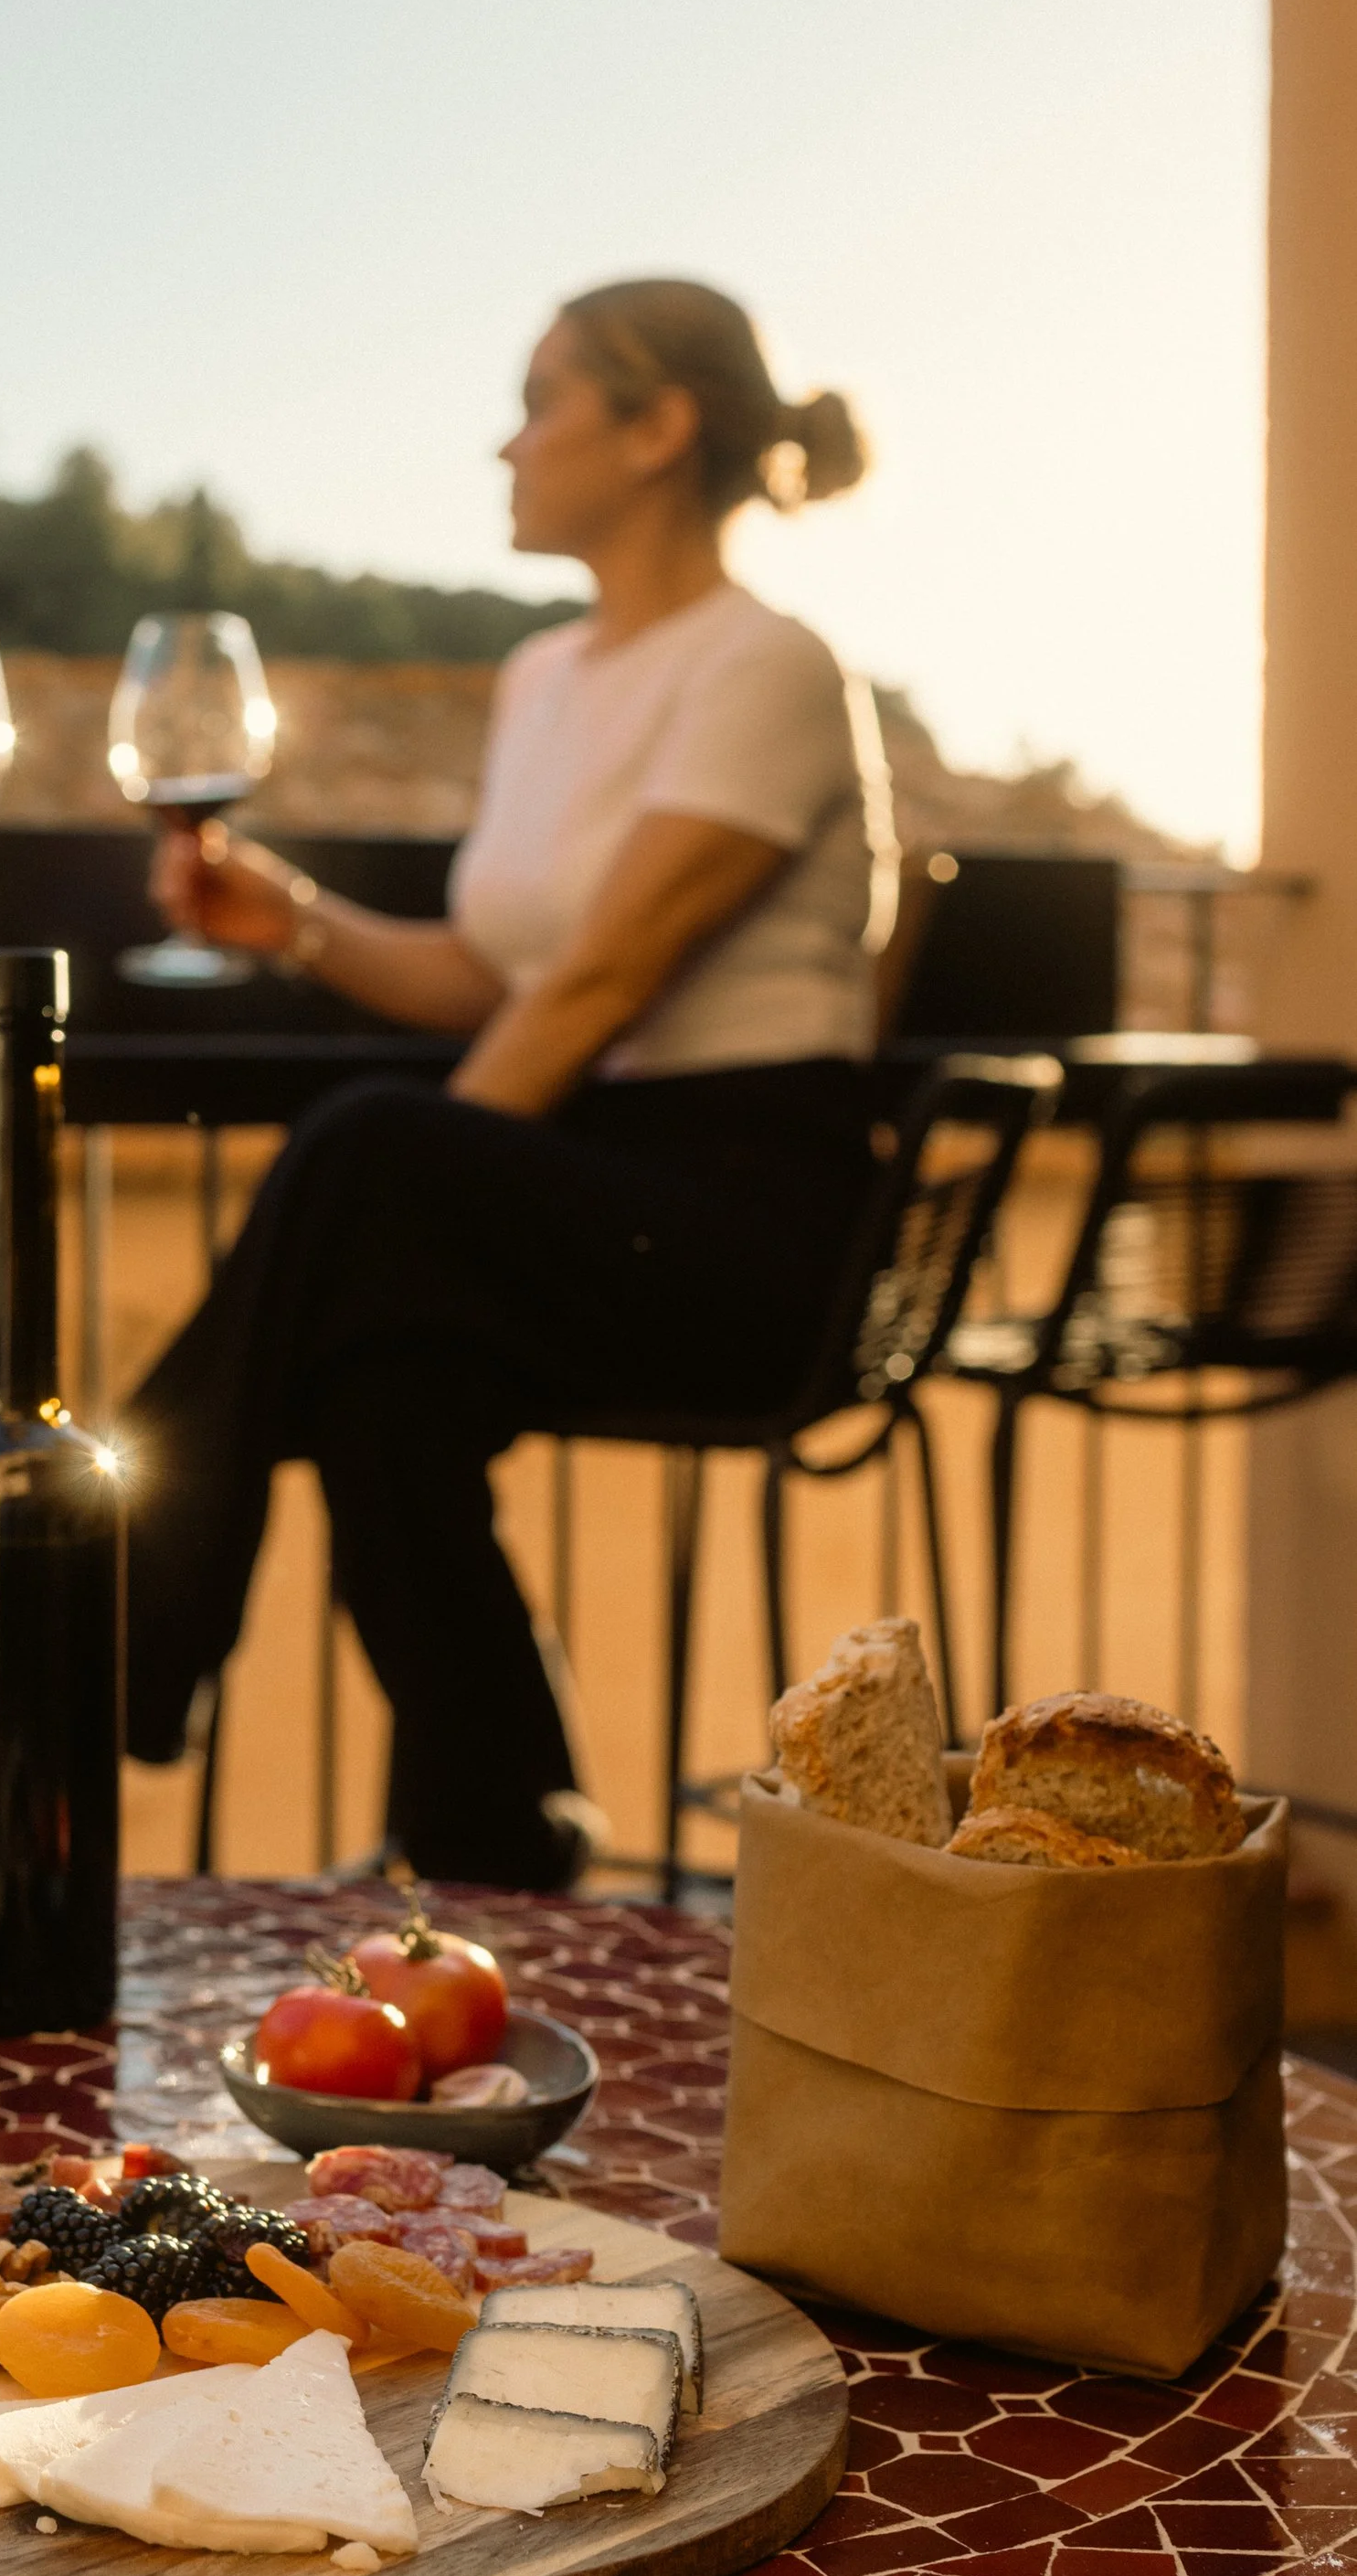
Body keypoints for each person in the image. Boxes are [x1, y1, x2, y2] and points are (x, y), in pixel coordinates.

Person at [122, 278, 891, 1889]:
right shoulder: (543, 677)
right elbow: (502, 977)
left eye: (543, 401)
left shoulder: (767, 667)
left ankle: (96, 1615)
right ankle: (495, 1837)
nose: (506, 443)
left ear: (659, 427)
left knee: (370, 1162)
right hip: (585, 1180)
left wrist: (403, 1185)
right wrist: (296, 923)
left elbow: (606, 985)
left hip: (745, 1221)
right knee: (380, 1373)